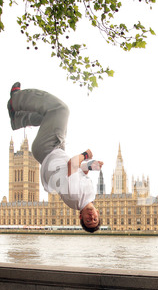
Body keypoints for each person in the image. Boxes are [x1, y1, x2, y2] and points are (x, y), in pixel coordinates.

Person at [7, 82, 103, 232]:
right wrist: (91, 166)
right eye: (95, 219)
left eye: (88, 220)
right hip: (57, 150)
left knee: (60, 110)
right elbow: (81, 171)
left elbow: (72, 164)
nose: (91, 217)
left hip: (48, 150)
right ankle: (18, 119)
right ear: (98, 213)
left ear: (80, 217)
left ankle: (16, 100)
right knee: (48, 116)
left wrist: (86, 155)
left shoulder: (75, 198)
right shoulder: (89, 196)